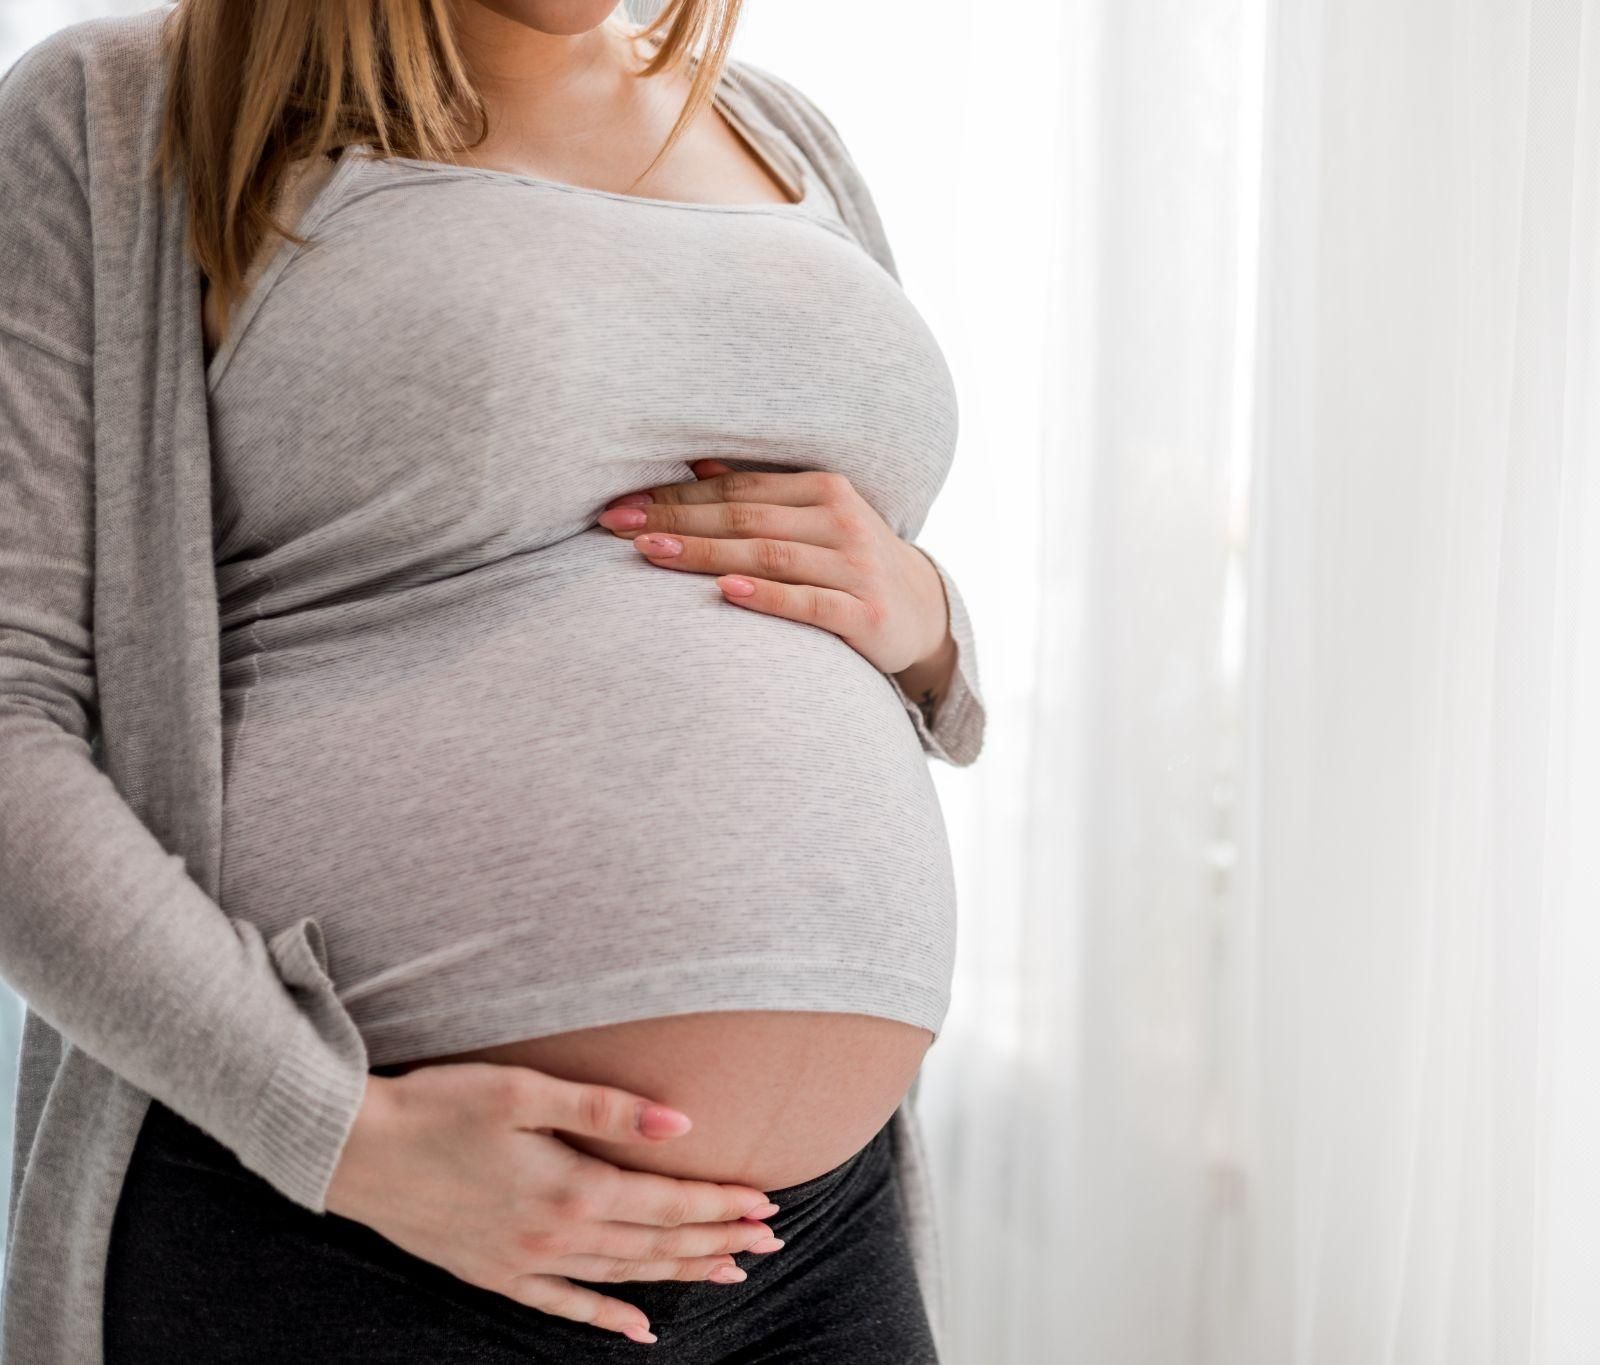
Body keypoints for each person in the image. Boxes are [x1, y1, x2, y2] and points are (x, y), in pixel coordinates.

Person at [0, 2, 985, 1360]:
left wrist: (930, 619)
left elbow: (856, 593)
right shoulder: (127, 109)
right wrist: (338, 1135)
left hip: (818, 1240)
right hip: (365, 1232)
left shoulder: (780, 133)